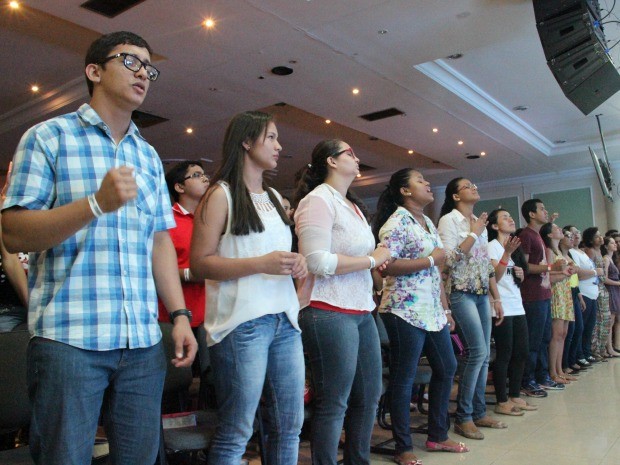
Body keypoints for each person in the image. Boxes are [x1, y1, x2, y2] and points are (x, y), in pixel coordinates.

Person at [1, 31, 197, 465]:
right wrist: (94, 204)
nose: (143, 72)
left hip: (142, 341)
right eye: (130, 61)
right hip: (70, 338)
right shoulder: (48, 137)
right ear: (94, 71)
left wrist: (179, 314)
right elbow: (13, 232)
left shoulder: (147, 155)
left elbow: (160, 239)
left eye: (149, 67)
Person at [190, 111, 307, 465]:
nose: (278, 145)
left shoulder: (272, 195)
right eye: (271, 137)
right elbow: (199, 264)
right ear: (245, 141)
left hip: (284, 320)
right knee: (237, 430)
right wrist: (261, 264)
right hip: (243, 324)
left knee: (289, 427)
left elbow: (274, 253)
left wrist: (295, 263)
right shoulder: (220, 195)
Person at [293, 139, 391, 464]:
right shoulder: (317, 200)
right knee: (335, 402)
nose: (357, 156)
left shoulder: (353, 205)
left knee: (369, 396)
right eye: (349, 152)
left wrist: (374, 261)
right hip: (327, 308)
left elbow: (362, 256)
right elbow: (317, 261)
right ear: (331, 162)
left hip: (361, 308)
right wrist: (371, 260)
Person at [372, 169, 467, 465]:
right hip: (403, 309)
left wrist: (446, 308)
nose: (428, 184)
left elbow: (436, 270)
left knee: (447, 365)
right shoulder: (396, 222)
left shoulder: (426, 222)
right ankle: (403, 447)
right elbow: (386, 265)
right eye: (420, 181)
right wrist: (429, 259)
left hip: (431, 309)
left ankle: (437, 435)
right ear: (405, 191)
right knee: (405, 376)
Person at [437, 178, 506, 441]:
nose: (474, 187)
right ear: (455, 196)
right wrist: (474, 232)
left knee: (484, 352)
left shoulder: (478, 220)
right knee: (476, 351)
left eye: (474, 184)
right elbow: (449, 258)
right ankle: (463, 417)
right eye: (467, 185)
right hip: (460, 292)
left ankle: (478, 412)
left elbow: (486, 266)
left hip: (479, 293)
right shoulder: (449, 220)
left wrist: (495, 298)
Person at [486, 209, 537, 414]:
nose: (510, 219)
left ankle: (515, 395)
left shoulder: (514, 248)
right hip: (500, 306)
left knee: (521, 351)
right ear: (495, 226)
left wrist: (520, 275)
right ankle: (501, 401)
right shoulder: (492, 247)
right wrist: (506, 254)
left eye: (510, 216)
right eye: (504, 217)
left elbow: (514, 278)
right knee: (505, 354)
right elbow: (494, 278)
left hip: (517, 305)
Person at [517, 199, 566, 397]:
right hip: (532, 296)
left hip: (544, 294)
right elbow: (526, 267)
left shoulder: (537, 235)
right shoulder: (526, 235)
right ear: (531, 214)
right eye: (542, 209)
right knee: (534, 341)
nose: (545, 211)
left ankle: (542, 376)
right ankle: (527, 380)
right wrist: (550, 268)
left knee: (545, 338)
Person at [158, 161, 210, 332]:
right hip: (176, 316)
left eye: (204, 174)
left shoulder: (212, 219)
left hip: (212, 315)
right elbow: (158, 267)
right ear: (179, 187)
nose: (204, 179)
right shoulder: (167, 221)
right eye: (196, 175)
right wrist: (191, 273)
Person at [539, 222, 577, 384]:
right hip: (556, 294)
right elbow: (547, 277)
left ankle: (560, 369)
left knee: (563, 334)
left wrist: (568, 272)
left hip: (565, 293)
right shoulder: (549, 251)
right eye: (555, 228)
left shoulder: (558, 251)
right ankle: (553, 372)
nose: (559, 229)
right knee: (556, 335)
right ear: (549, 235)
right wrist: (565, 274)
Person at [566, 226, 602, 369]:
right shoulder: (572, 253)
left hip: (592, 293)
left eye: (577, 233)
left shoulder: (582, 251)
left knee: (589, 326)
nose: (576, 235)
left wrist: (594, 272)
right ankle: (579, 355)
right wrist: (594, 272)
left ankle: (586, 352)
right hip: (584, 292)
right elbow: (578, 273)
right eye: (572, 234)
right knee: (581, 327)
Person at [581, 227, 605, 363]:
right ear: (590, 239)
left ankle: (594, 350)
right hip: (592, 287)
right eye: (597, 236)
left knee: (595, 322)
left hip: (597, 288)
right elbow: (589, 269)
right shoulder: (590, 251)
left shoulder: (599, 251)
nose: (600, 238)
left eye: (600, 235)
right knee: (592, 323)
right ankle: (591, 350)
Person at [601, 236, 620, 357]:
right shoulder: (606, 259)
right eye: (612, 243)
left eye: (615, 243)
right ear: (606, 246)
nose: (615, 245)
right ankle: (608, 347)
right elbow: (604, 278)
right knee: (610, 320)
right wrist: (618, 283)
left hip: (615, 289)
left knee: (613, 320)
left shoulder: (612, 258)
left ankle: (611, 347)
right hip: (611, 290)